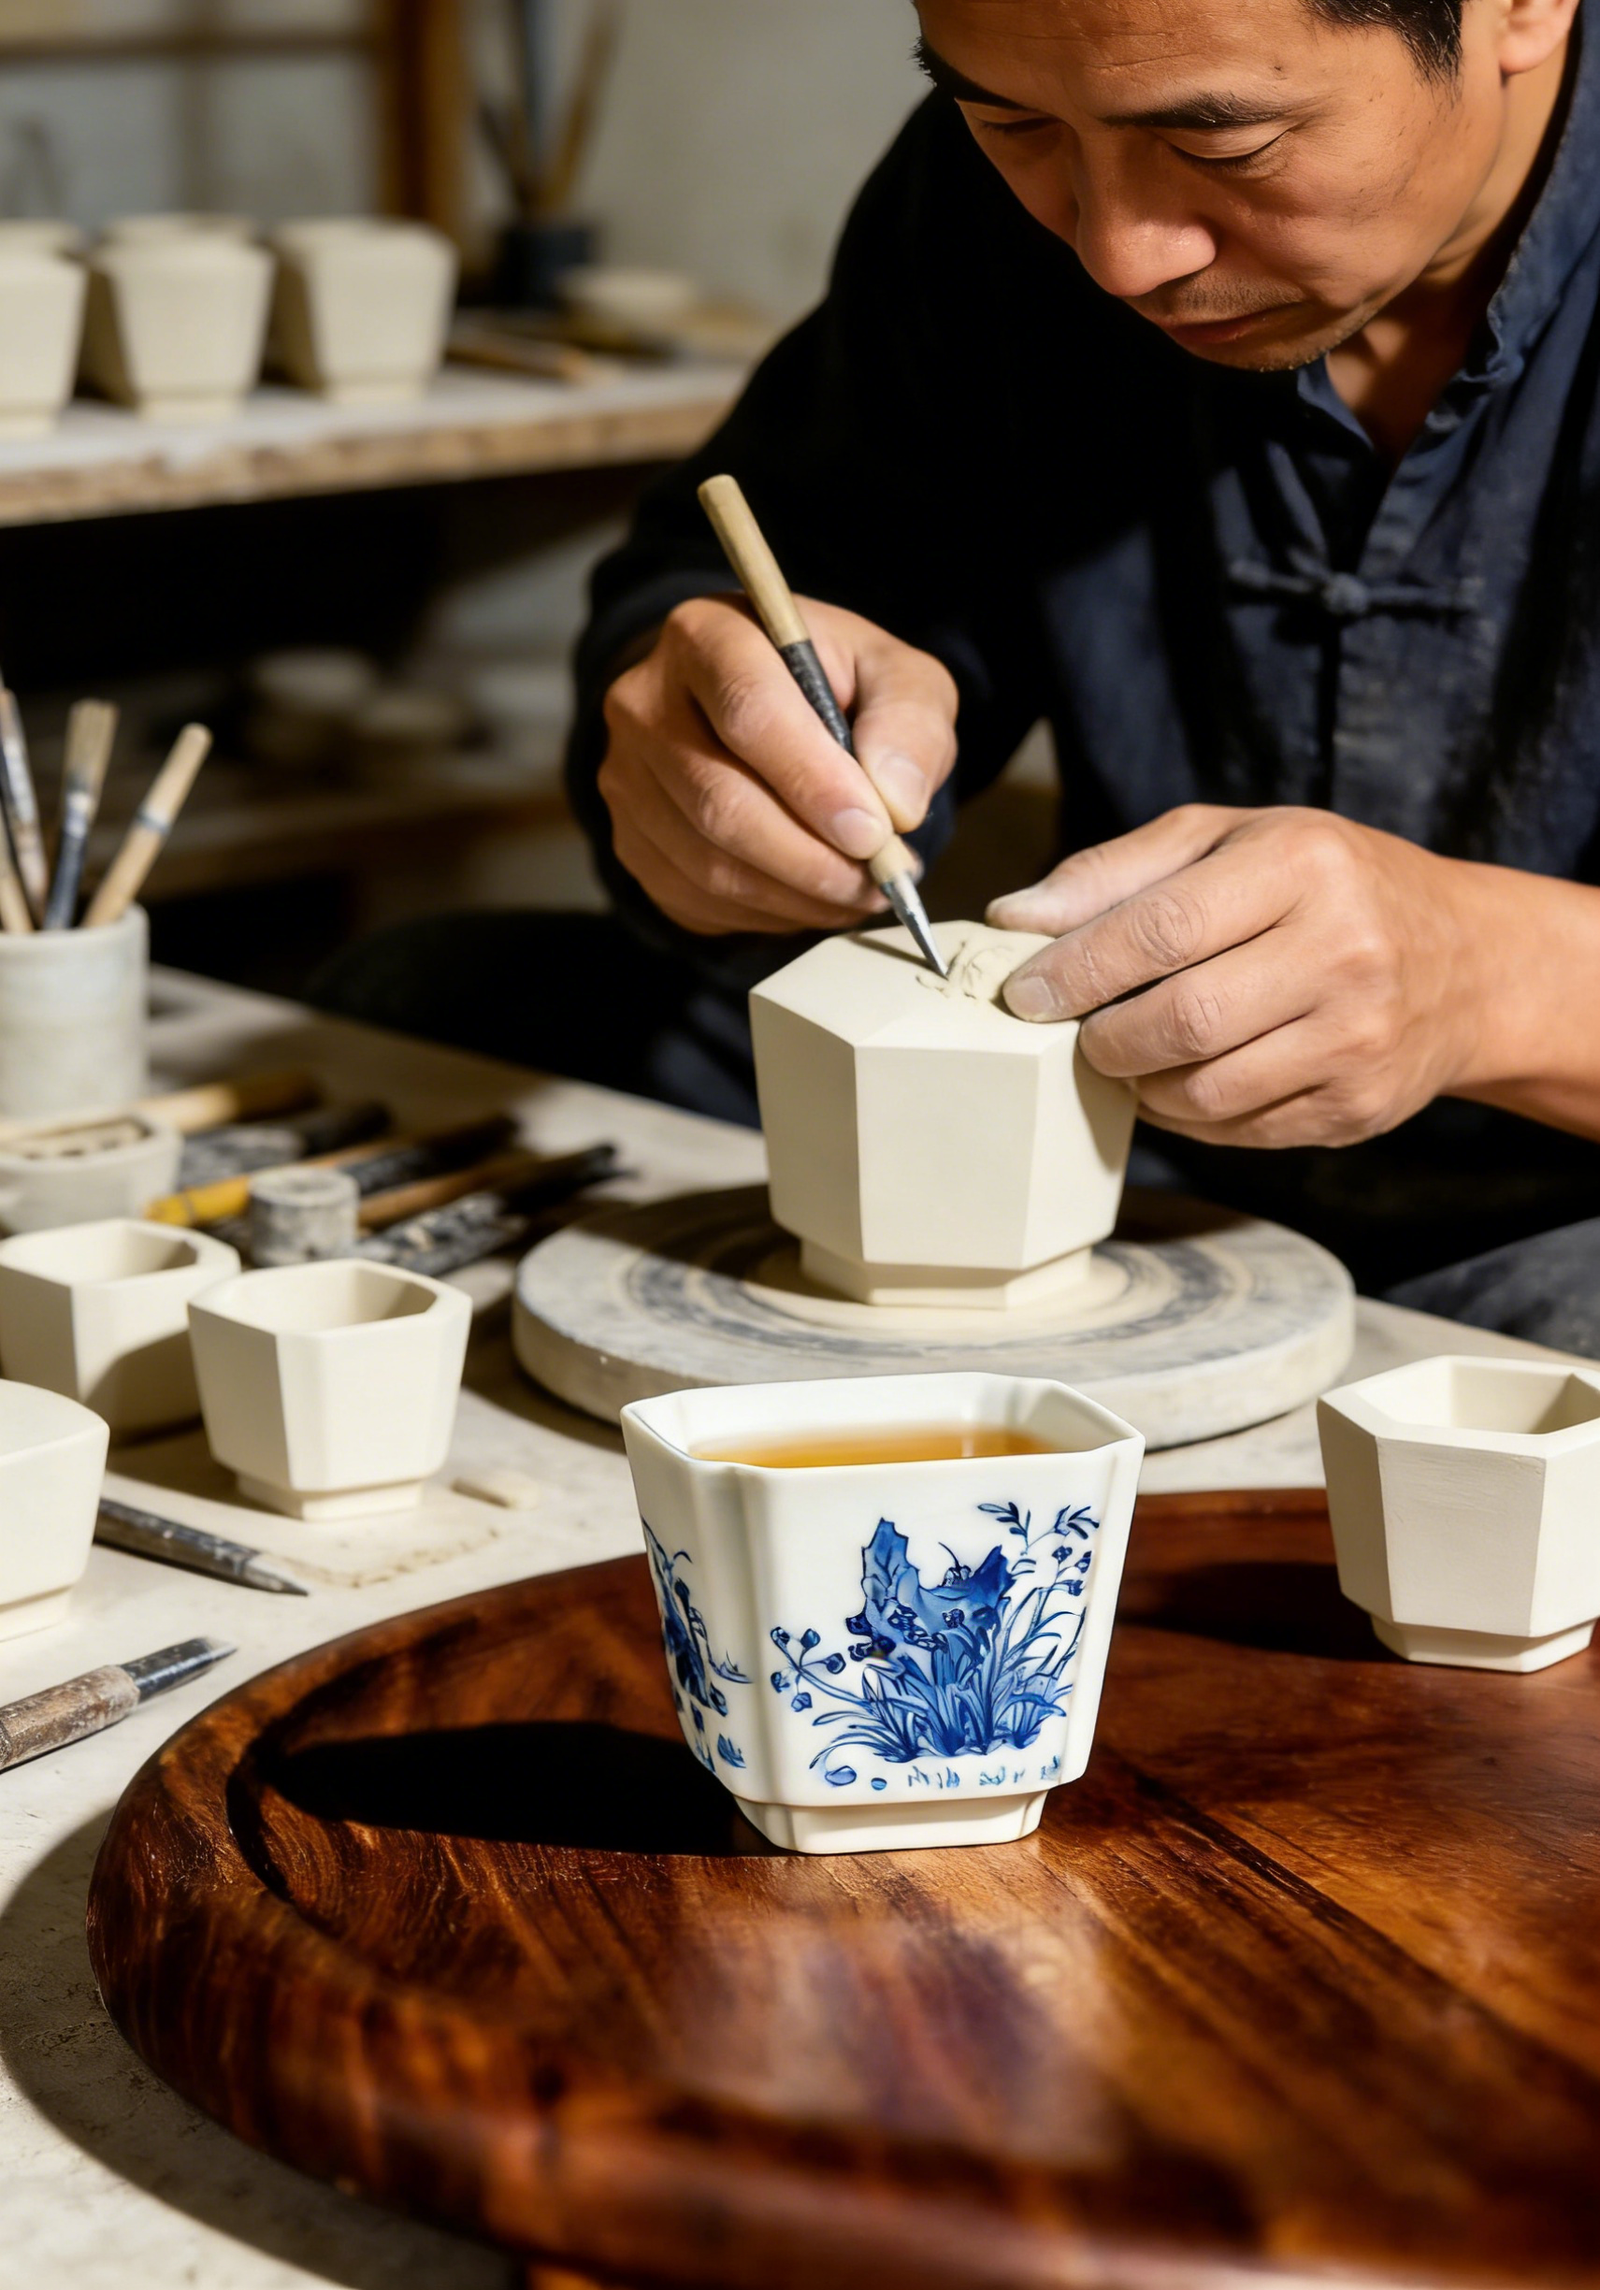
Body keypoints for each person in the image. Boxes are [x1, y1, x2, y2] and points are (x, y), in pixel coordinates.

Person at [318, 0, 1600, 1351]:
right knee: (422, 1008)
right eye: (1012, 122)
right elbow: (768, 579)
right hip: (1122, 1114)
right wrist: (709, 740)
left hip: (1560, 1195)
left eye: (1224, 144)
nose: (1116, 256)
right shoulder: (989, 210)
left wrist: (1484, 979)